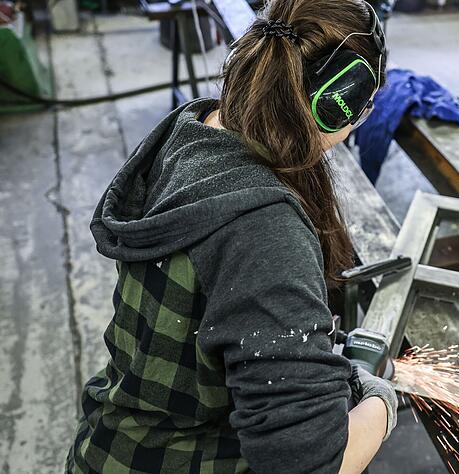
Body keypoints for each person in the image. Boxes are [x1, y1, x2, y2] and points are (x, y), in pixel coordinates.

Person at [65, 0, 397, 472]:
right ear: (338, 100)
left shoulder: (192, 129)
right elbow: (310, 463)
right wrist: (381, 401)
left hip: (112, 444)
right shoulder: (265, 231)